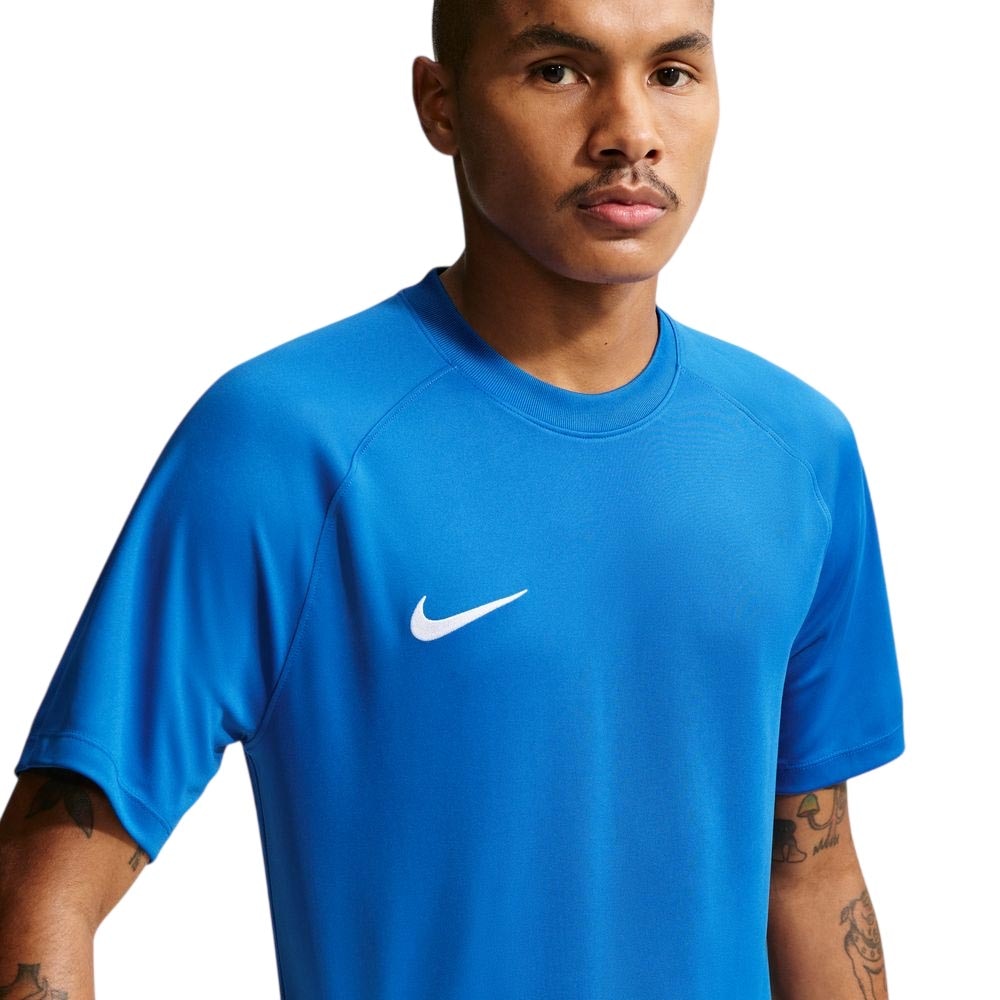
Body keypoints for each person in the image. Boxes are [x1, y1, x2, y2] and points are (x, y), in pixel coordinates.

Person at [0, 0, 904, 996]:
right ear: (441, 104)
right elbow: (43, 888)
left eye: (672, 73)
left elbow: (811, 874)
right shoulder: (286, 444)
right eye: (559, 71)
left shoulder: (798, 452)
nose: (631, 132)